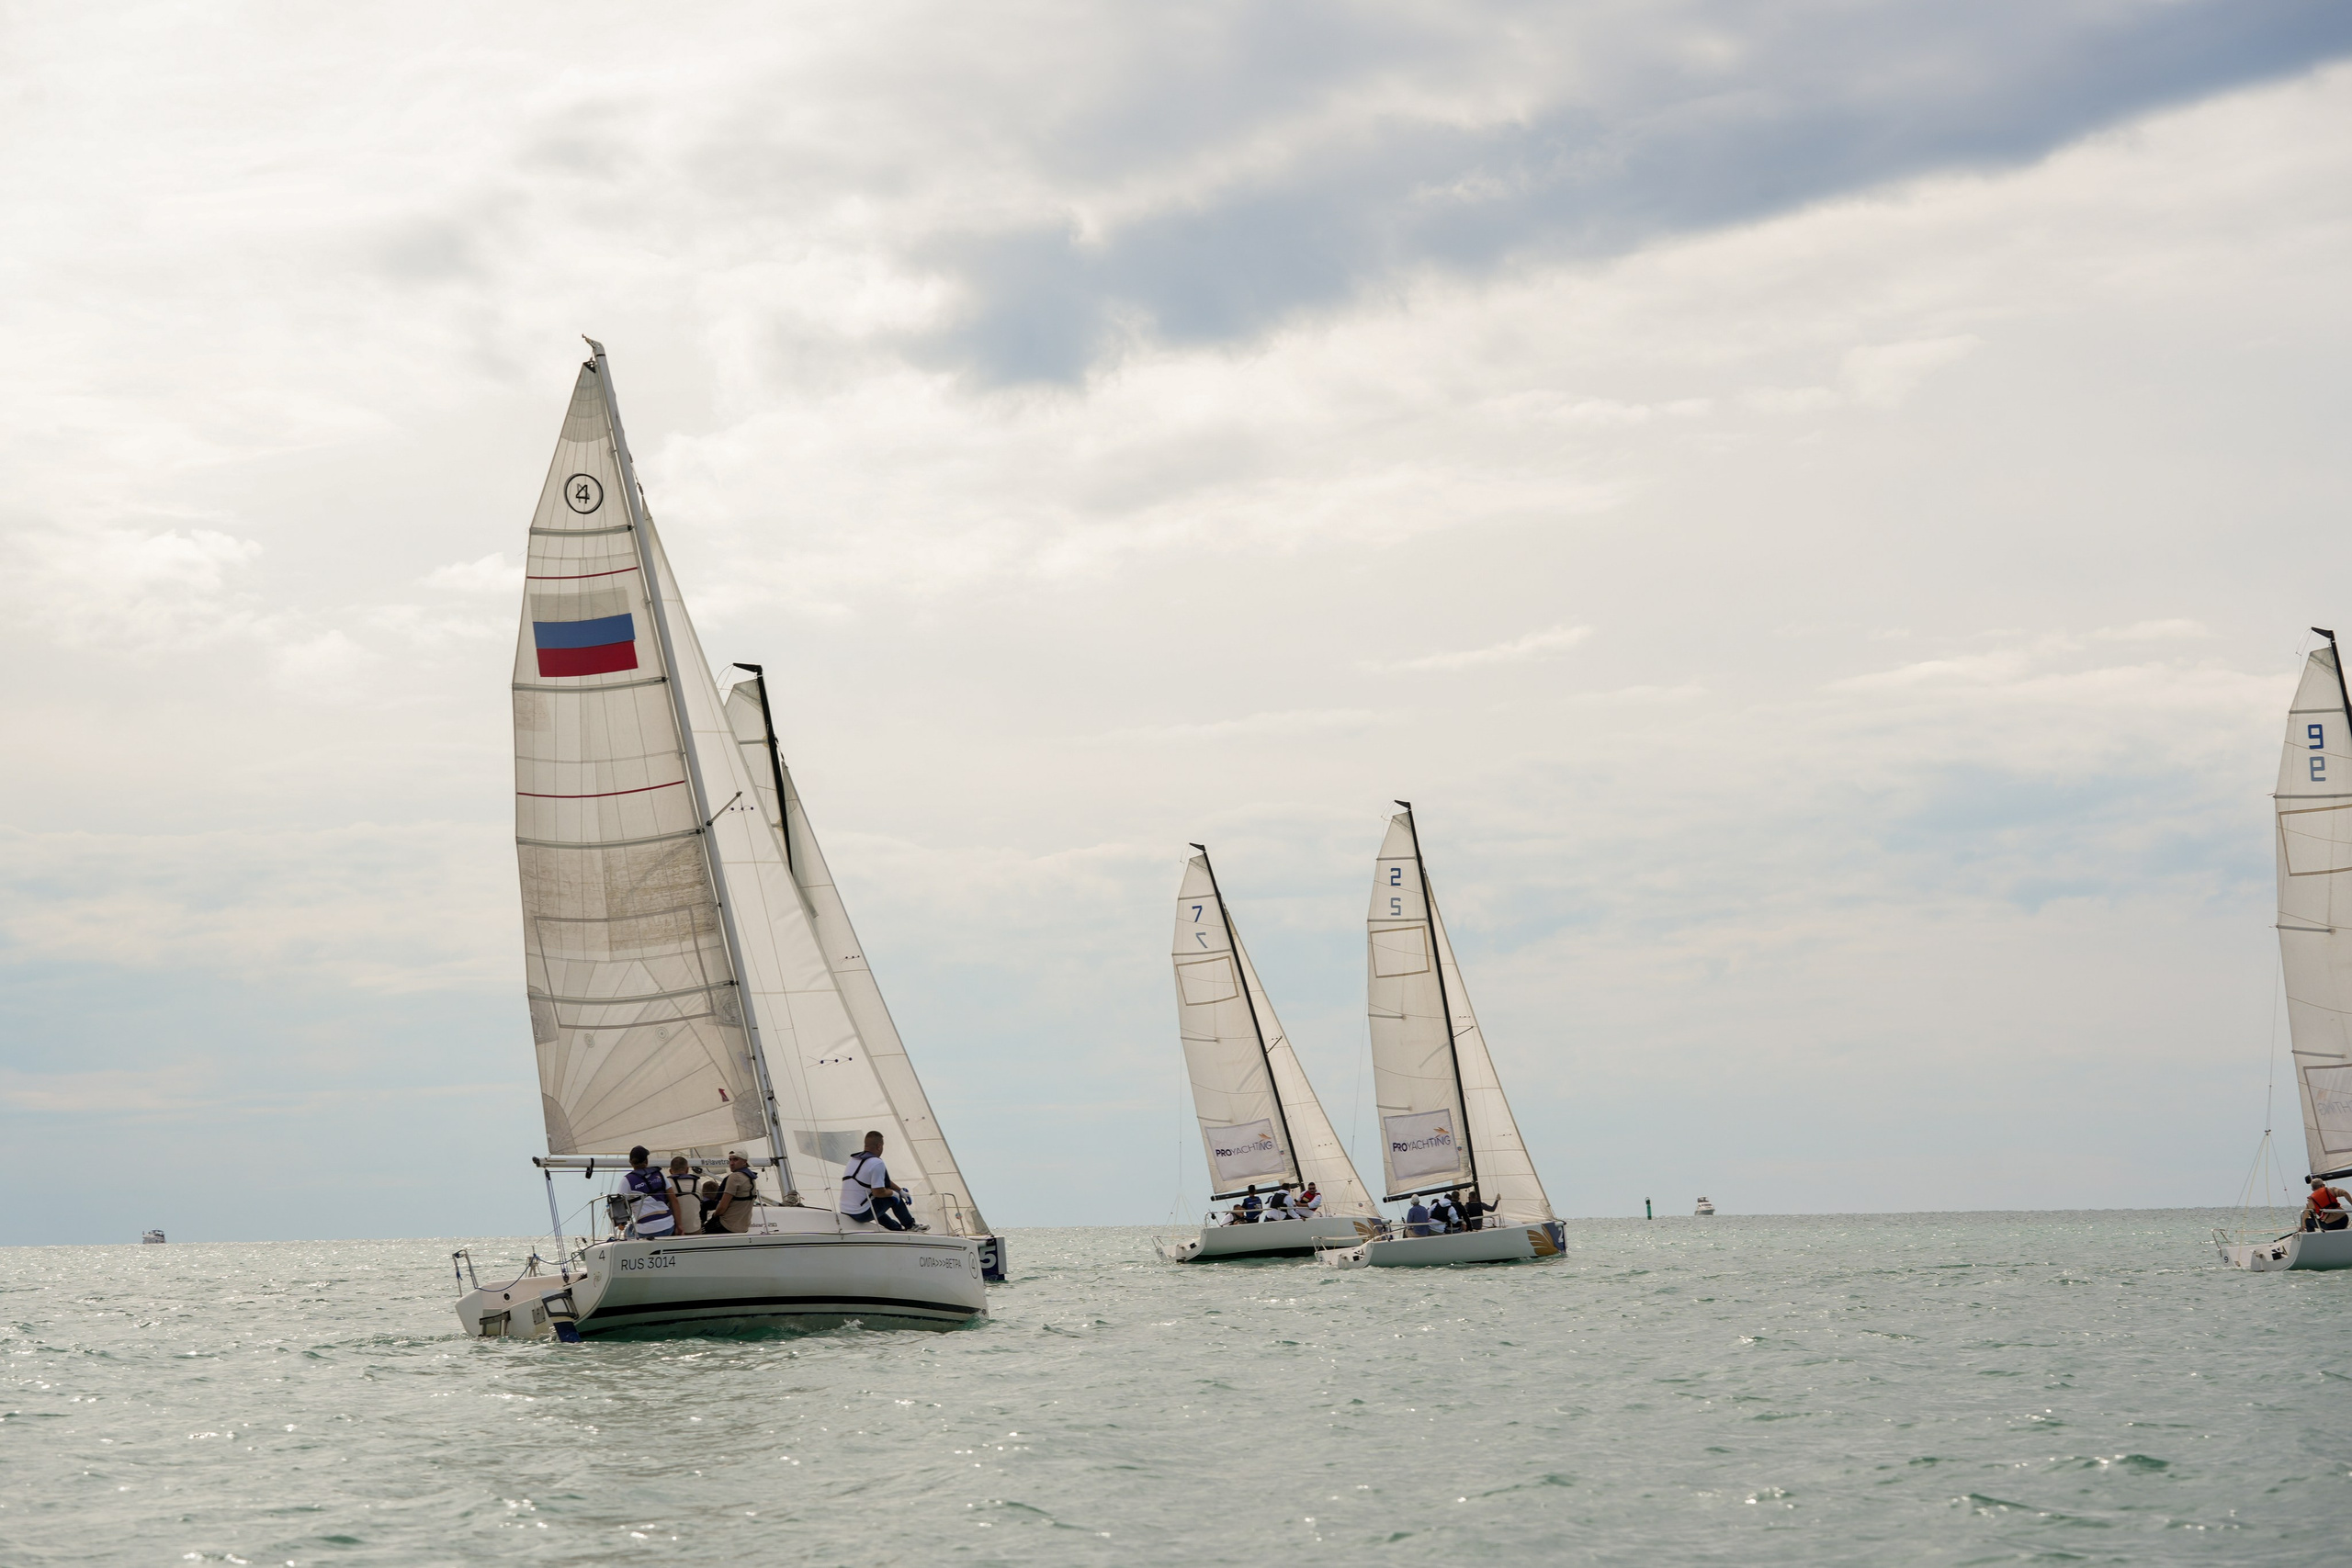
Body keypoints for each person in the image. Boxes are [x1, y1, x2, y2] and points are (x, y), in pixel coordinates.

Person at [842, 1131, 926, 1232]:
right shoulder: (877, 1163)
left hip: (845, 1210)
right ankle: (911, 1226)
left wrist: (901, 1190)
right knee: (893, 1197)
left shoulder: (854, 1160)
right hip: (860, 1214)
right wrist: (896, 1194)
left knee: (873, 1204)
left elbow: (883, 1181)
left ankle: (896, 1229)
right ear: (879, 1146)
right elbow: (878, 1192)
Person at [623, 1145, 677, 1238]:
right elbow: (674, 1200)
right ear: (646, 1161)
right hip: (668, 1225)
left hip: (646, 1230)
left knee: (628, 1232)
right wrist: (679, 1226)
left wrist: (621, 1224)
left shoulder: (627, 1180)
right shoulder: (659, 1174)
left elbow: (620, 1205)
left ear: (631, 1162)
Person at [709, 1151, 758, 1235]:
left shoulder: (735, 1177)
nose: (731, 1163)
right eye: (730, 1160)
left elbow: (722, 1207)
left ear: (744, 1162)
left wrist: (714, 1216)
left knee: (699, 1234)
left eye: (735, 1160)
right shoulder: (751, 1178)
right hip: (743, 1227)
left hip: (727, 1225)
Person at [667, 1156, 703, 1235]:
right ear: (687, 1169)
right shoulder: (697, 1183)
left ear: (670, 1171)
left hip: (675, 1230)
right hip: (695, 1228)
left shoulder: (668, 1183)